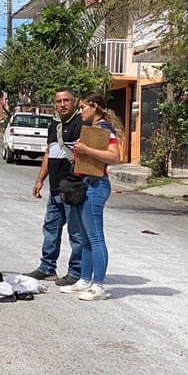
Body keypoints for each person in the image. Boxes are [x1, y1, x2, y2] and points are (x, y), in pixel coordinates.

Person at [60, 92, 121, 301]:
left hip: (97, 185)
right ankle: (85, 279)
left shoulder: (104, 130)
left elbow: (114, 156)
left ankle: (99, 285)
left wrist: (86, 149)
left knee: (95, 238)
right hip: (86, 184)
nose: (81, 112)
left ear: (94, 107)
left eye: (83, 107)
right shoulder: (92, 130)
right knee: (85, 238)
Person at [24, 88, 84, 286]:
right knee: (50, 229)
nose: (62, 104)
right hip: (56, 189)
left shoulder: (81, 124)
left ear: (74, 102)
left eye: (66, 100)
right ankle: (47, 268)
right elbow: (49, 154)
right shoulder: (54, 125)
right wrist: (40, 180)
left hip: (73, 189)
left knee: (76, 233)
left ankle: (75, 271)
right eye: (59, 101)